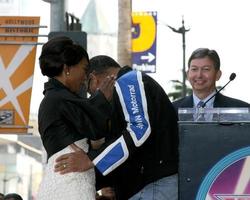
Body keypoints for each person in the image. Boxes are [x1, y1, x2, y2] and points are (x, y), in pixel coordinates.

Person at [54, 55, 179, 200]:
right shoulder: (127, 84)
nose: (92, 96)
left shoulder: (128, 81)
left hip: (154, 185)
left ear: (94, 79)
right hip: (148, 185)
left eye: (89, 90)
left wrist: (91, 160)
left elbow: (139, 130)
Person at [36, 37, 114, 200]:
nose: (86, 77)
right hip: (70, 187)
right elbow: (96, 128)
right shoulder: (59, 99)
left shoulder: (54, 97)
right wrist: (103, 99)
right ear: (67, 69)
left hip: (67, 183)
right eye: (85, 69)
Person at [173, 48, 249, 113]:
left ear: (218, 75)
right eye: (194, 69)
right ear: (188, 74)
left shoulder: (242, 109)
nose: (199, 75)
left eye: (206, 69)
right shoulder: (172, 109)